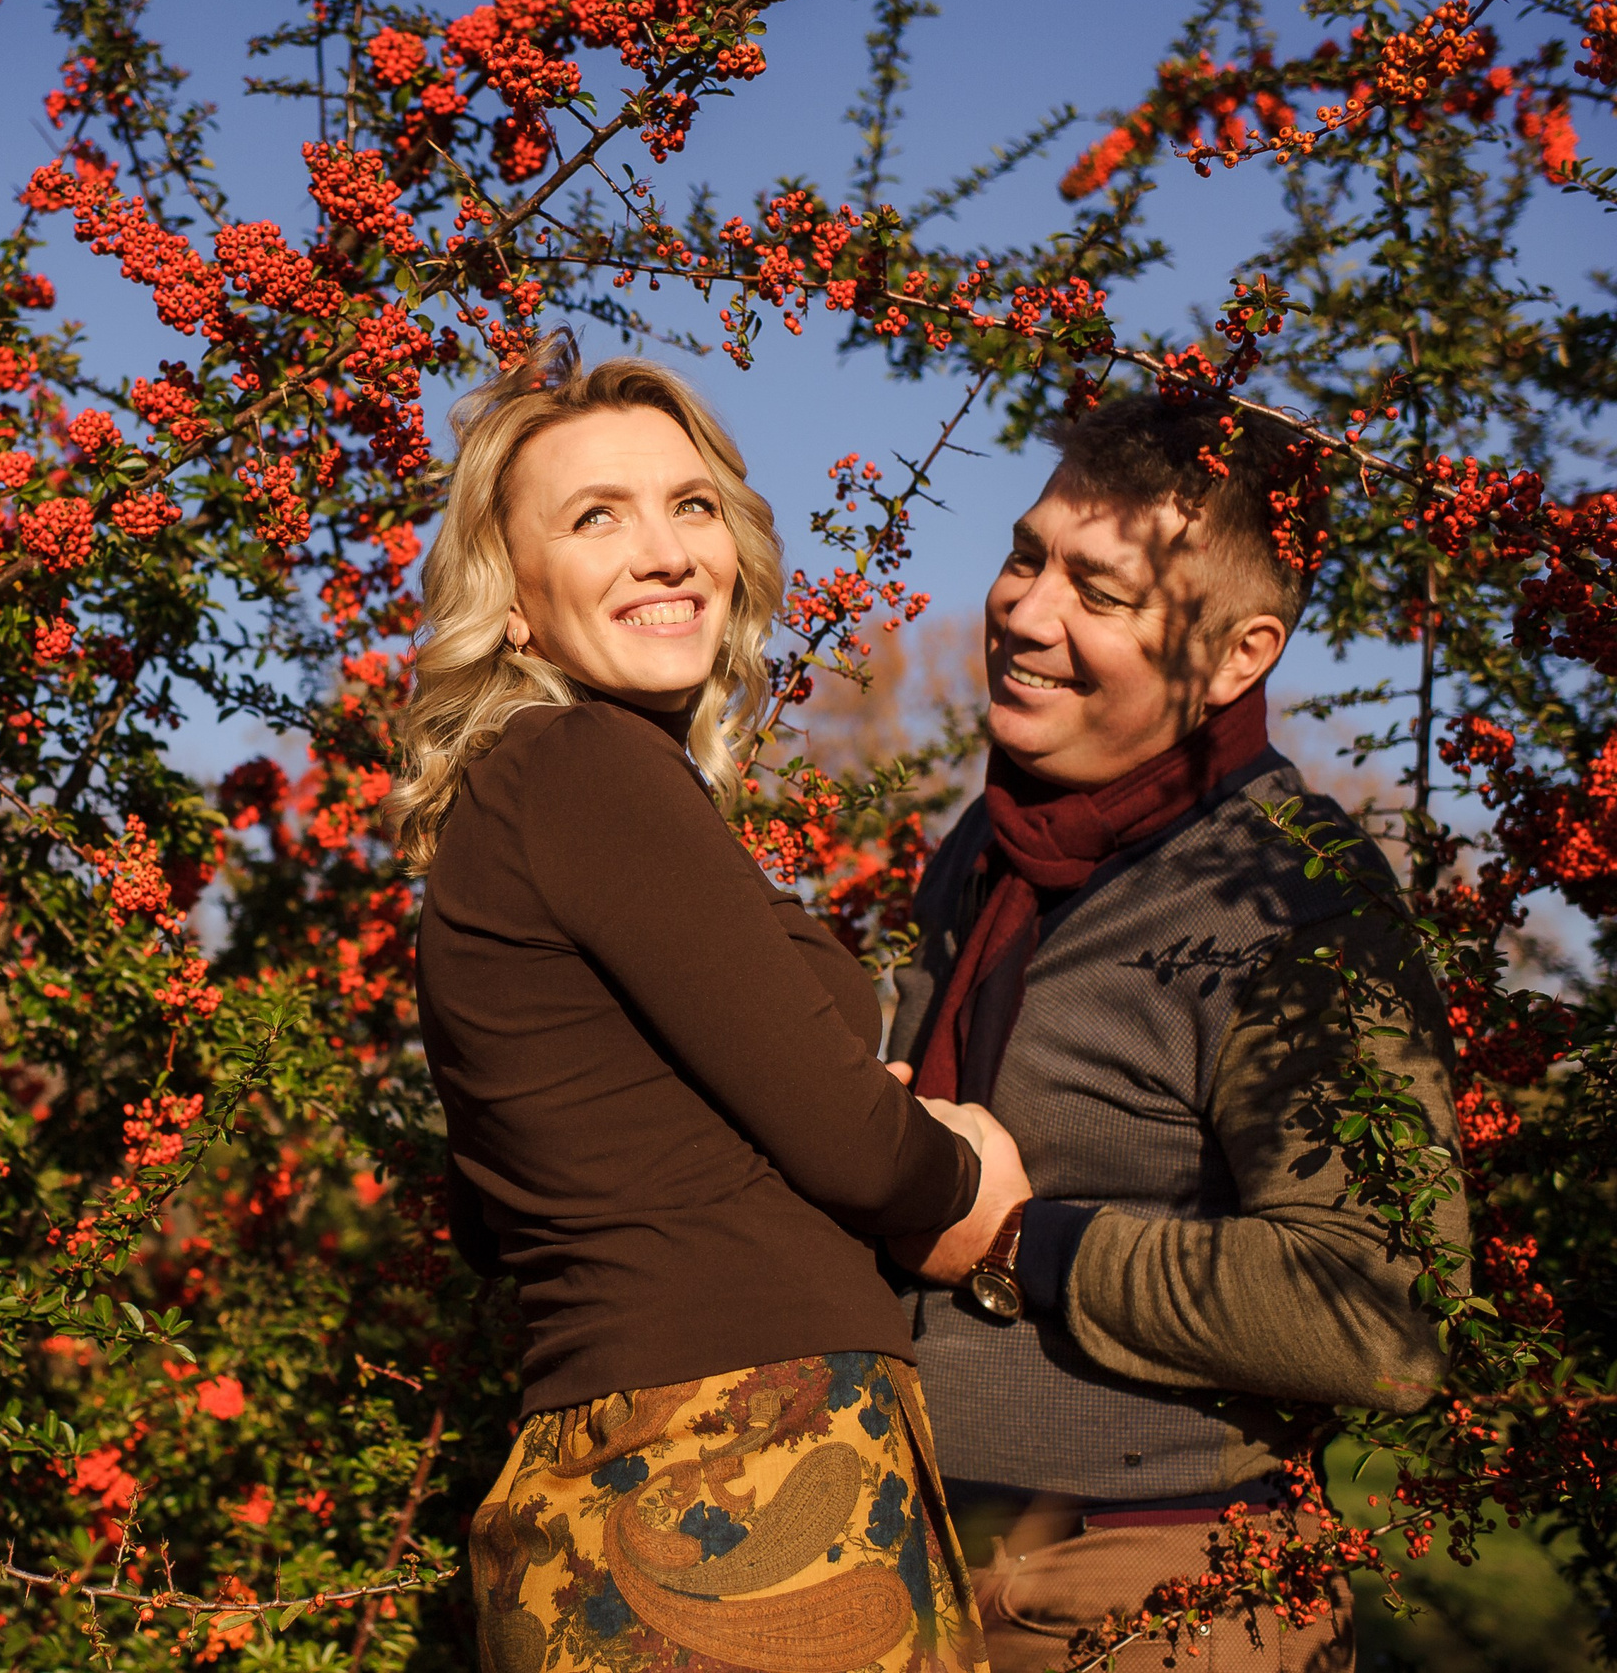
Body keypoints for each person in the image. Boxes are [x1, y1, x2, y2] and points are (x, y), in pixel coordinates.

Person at [392, 332, 1025, 1673]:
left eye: (690, 506)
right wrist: (960, 1174)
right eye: (595, 517)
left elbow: (499, 1214)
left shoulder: (538, 797)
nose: (666, 552)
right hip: (737, 1457)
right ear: (513, 601)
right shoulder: (583, 766)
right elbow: (854, 1148)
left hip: (651, 1462)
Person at [883, 391, 1468, 1673]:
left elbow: (1383, 1314)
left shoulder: (1298, 901)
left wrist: (1023, 1244)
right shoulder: (987, 845)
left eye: (1099, 591)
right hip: (903, 1567)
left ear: (1236, 657)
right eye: (1026, 556)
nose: (1026, 610)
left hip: (1151, 1599)